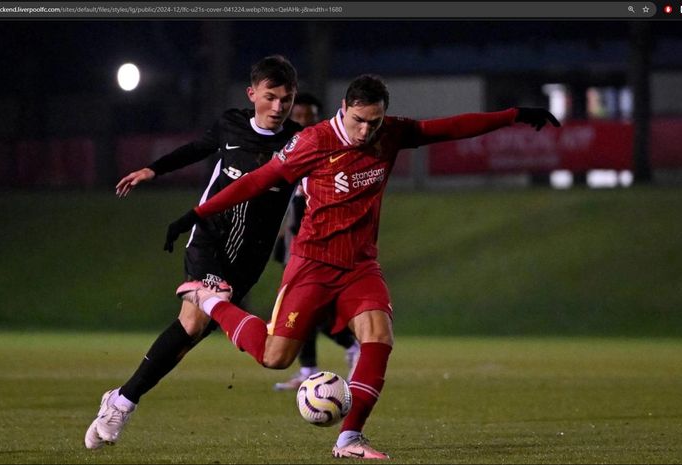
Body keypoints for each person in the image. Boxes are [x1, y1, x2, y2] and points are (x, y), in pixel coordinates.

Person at [164, 74, 561, 459]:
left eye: (373, 122)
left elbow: (451, 127)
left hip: (359, 266)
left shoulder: (390, 132)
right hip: (312, 265)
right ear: (343, 109)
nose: (364, 131)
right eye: (358, 121)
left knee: (379, 336)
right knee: (274, 357)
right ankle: (208, 300)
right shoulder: (312, 141)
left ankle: (349, 438)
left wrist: (513, 115)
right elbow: (256, 181)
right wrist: (196, 214)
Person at [84, 55, 303, 450]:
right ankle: (124, 403)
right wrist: (153, 170)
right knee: (197, 315)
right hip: (211, 238)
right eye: (269, 97)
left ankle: (119, 398)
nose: (277, 107)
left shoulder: (299, 142)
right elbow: (197, 148)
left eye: (285, 100)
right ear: (251, 93)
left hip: (249, 257)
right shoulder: (230, 124)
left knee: (193, 327)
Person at [272, 92, 360, 391]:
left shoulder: (325, 146)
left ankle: (350, 345)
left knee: (309, 309)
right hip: (295, 237)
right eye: (297, 116)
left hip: (317, 241)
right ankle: (310, 367)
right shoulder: (288, 145)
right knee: (301, 309)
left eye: (308, 116)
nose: (302, 121)